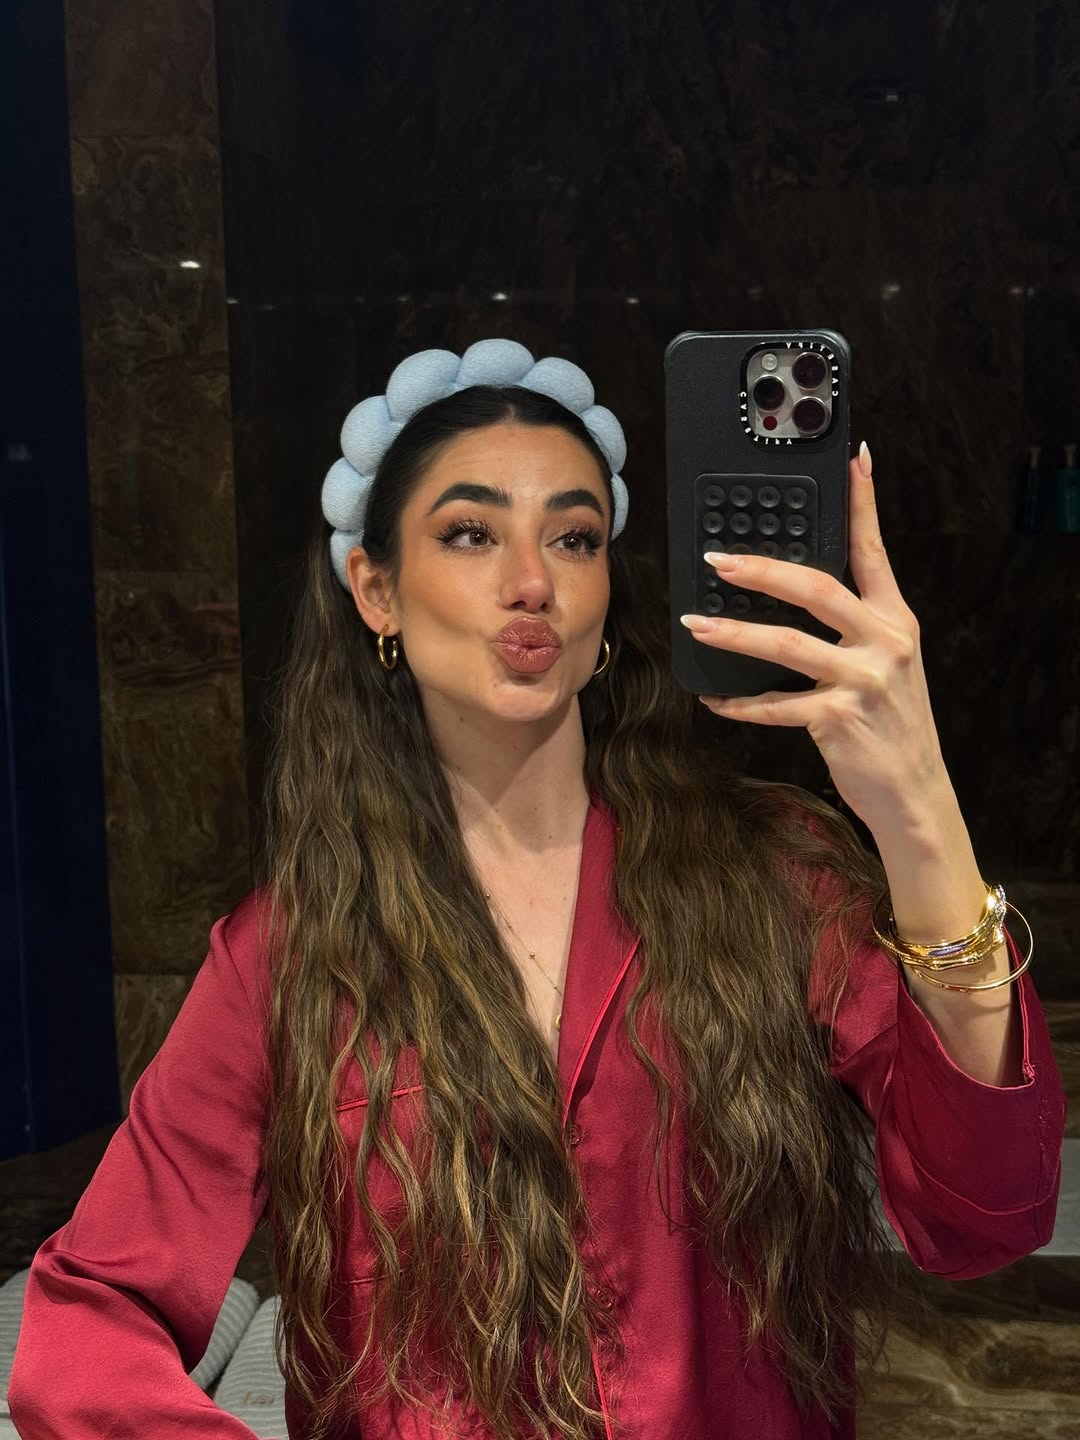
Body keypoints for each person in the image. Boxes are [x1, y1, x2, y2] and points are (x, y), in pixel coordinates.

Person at [9, 339, 1065, 1440]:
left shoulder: (770, 872)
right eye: (470, 533)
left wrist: (919, 814)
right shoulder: (289, 954)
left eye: (574, 537)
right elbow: (87, 1326)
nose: (533, 581)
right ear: (376, 590)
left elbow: (985, 1215)